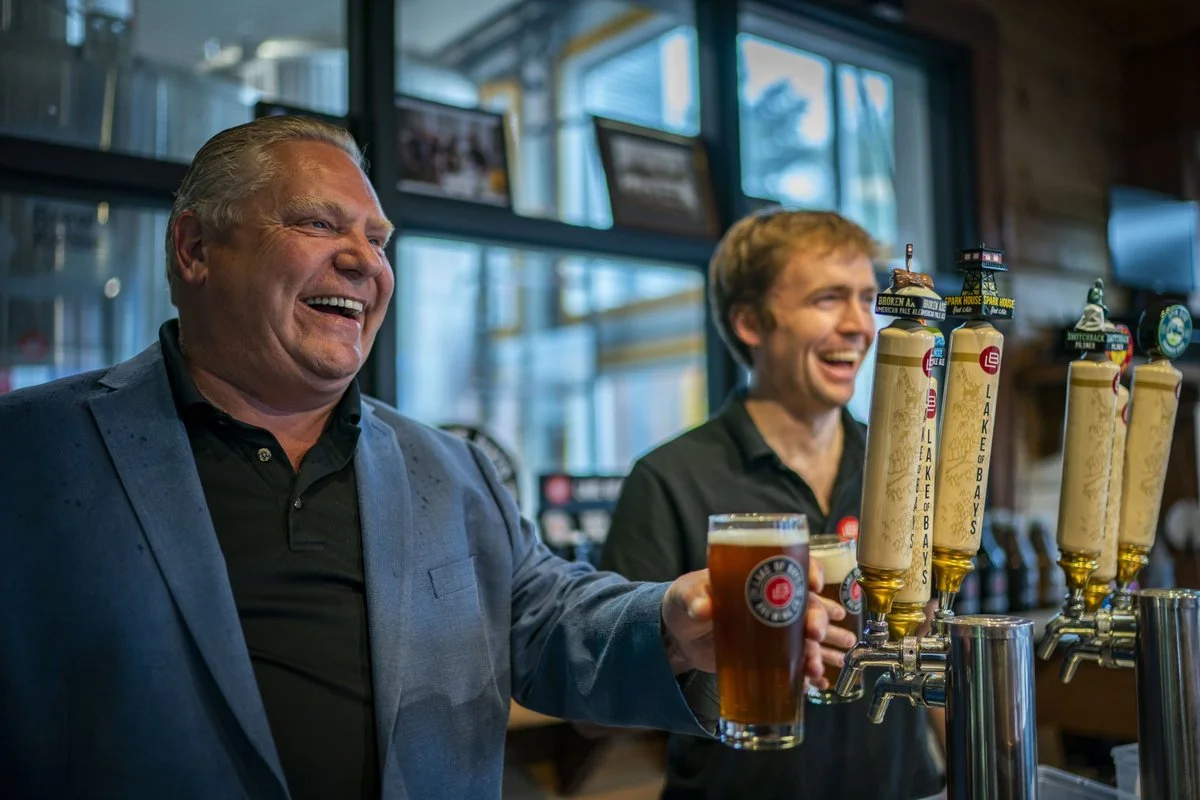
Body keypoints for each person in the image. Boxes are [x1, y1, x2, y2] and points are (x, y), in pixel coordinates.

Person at [0, 116, 851, 800]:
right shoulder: (32, 452)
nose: (363, 261)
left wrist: (670, 620)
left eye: (379, 239)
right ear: (194, 249)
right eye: (316, 223)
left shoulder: (451, 470)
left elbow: (548, 620)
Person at [600, 209, 945, 800]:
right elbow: (601, 705)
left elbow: (933, 646)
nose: (860, 324)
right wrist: (686, 642)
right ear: (751, 322)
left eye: (867, 298)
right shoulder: (668, 478)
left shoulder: (905, 463)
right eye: (828, 298)